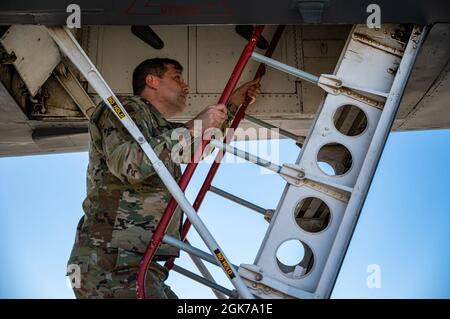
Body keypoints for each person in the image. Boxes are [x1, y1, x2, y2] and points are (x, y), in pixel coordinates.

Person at [66, 57, 261, 299]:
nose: (186, 86)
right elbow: (130, 164)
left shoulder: (158, 129)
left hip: (138, 263)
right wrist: (193, 128)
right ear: (152, 81)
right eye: (177, 77)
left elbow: (192, 148)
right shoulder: (122, 109)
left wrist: (230, 105)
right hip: (112, 261)